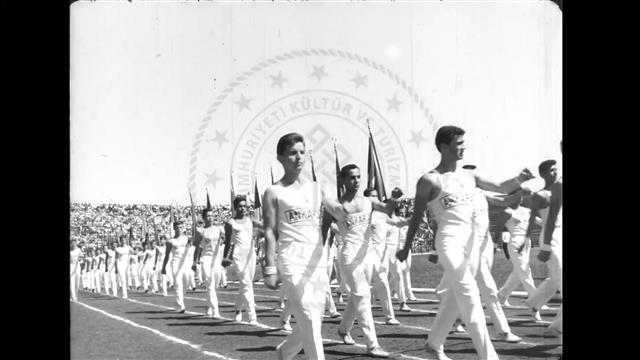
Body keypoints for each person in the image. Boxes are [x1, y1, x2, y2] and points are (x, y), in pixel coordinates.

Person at [396, 125, 533, 360]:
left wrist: (520, 178)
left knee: (454, 298)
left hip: (471, 245)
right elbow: (417, 218)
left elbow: (501, 188)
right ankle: (489, 357)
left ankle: (434, 343)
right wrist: (406, 248)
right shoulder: (429, 180)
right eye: (459, 144)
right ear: (443, 147)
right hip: (449, 242)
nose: (464, 148)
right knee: (469, 295)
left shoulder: (469, 176)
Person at [262, 133, 330, 360]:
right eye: (292, 153)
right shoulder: (274, 191)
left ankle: (285, 352)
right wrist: (270, 267)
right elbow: (270, 231)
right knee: (309, 316)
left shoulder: (316, 188)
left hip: (316, 259)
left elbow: (331, 217)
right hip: (291, 258)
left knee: (314, 317)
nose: (299, 157)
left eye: (302, 152)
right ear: (280, 158)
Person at [322, 164, 398, 358]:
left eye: (358, 177)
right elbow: (323, 231)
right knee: (363, 295)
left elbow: (388, 208)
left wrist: (394, 199)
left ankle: (343, 328)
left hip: (367, 255)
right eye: (351, 178)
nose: (356, 181)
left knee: (361, 296)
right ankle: (372, 344)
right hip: (348, 255)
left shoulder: (368, 200)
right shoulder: (335, 206)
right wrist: (319, 256)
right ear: (343, 181)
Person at [526, 157, 562, 336]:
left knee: (555, 279)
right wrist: (527, 239)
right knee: (560, 278)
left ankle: (534, 303)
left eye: (557, 169)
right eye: (551, 170)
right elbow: (533, 219)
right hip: (550, 239)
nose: (555, 172)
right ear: (543, 174)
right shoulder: (540, 195)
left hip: (561, 235)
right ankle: (556, 327)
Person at [364, 187, 407, 326]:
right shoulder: (361, 214)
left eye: (377, 195)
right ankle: (351, 321)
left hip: (379, 257)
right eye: (372, 196)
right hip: (364, 255)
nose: (376, 198)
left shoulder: (382, 215)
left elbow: (397, 222)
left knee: (383, 283)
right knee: (361, 289)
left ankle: (389, 316)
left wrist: (411, 220)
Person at [222, 196, 262, 325]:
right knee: (246, 284)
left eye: (244, 206)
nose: (242, 208)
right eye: (240, 206)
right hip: (238, 255)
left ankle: (238, 309)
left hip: (251, 254)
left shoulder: (251, 220)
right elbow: (228, 242)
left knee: (246, 284)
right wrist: (225, 257)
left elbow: (264, 227)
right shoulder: (230, 223)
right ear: (235, 208)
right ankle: (252, 316)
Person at [192, 207, 225, 319]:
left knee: (215, 285)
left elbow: (228, 238)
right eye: (208, 216)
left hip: (217, 260)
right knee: (210, 286)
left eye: (212, 216)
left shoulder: (219, 229)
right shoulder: (200, 231)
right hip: (206, 259)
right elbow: (197, 247)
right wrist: (194, 261)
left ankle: (208, 306)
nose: (210, 218)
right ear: (204, 217)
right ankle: (216, 311)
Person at [162, 220, 194, 313]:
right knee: (178, 284)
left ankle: (179, 301)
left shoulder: (186, 238)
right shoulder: (170, 241)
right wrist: (163, 267)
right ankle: (181, 305)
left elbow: (193, 241)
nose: (179, 229)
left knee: (185, 283)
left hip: (185, 263)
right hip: (175, 263)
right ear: (174, 228)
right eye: (177, 227)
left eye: (180, 227)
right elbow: (167, 255)